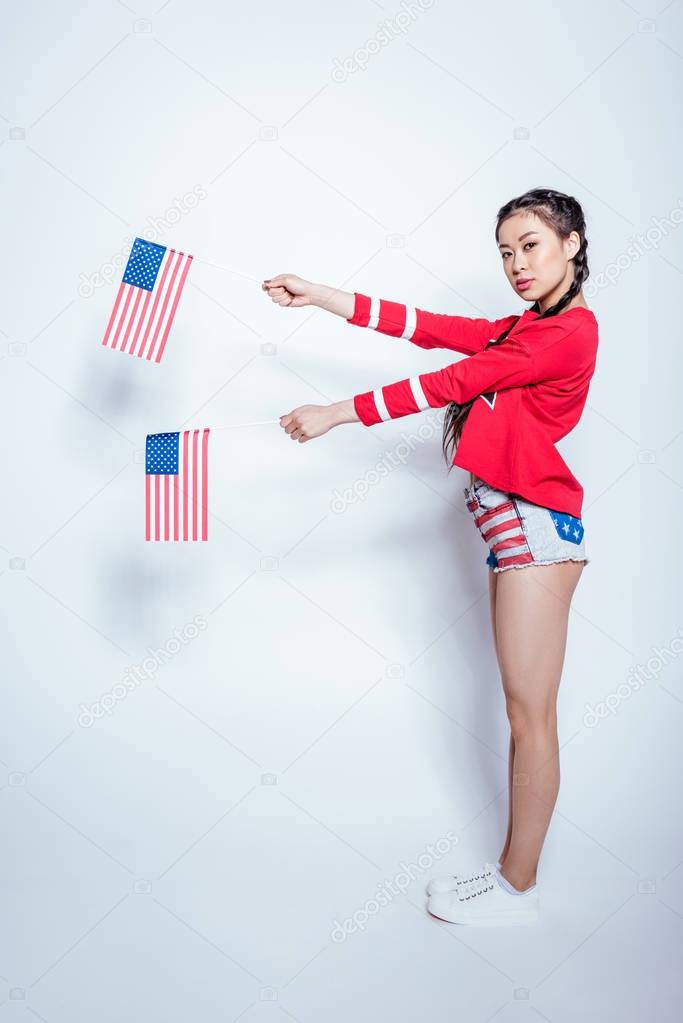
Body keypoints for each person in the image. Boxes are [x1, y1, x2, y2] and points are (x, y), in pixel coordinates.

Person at [261, 187, 599, 927]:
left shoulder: (566, 332)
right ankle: (514, 878)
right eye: (505, 251)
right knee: (522, 710)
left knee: (529, 716)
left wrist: (335, 412)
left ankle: (516, 889)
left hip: (536, 533)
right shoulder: (523, 327)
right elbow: (434, 330)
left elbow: (454, 381)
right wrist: (322, 295)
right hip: (514, 533)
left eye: (531, 245)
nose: (515, 263)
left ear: (572, 244)